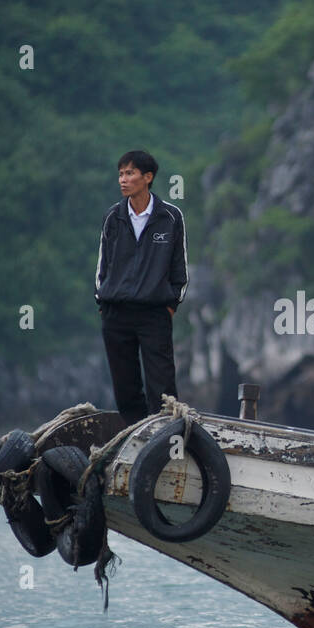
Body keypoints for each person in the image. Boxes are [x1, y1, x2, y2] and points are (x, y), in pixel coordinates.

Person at [94, 150, 188, 424]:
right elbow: (103, 266)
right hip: (116, 313)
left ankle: (167, 442)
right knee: (125, 388)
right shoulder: (113, 216)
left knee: (163, 388)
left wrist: (170, 304)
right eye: (121, 174)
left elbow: (179, 268)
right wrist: (103, 303)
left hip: (154, 313)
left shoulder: (170, 217)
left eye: (130, 173)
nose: (123, 180)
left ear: (148, 177)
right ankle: (136, 440)